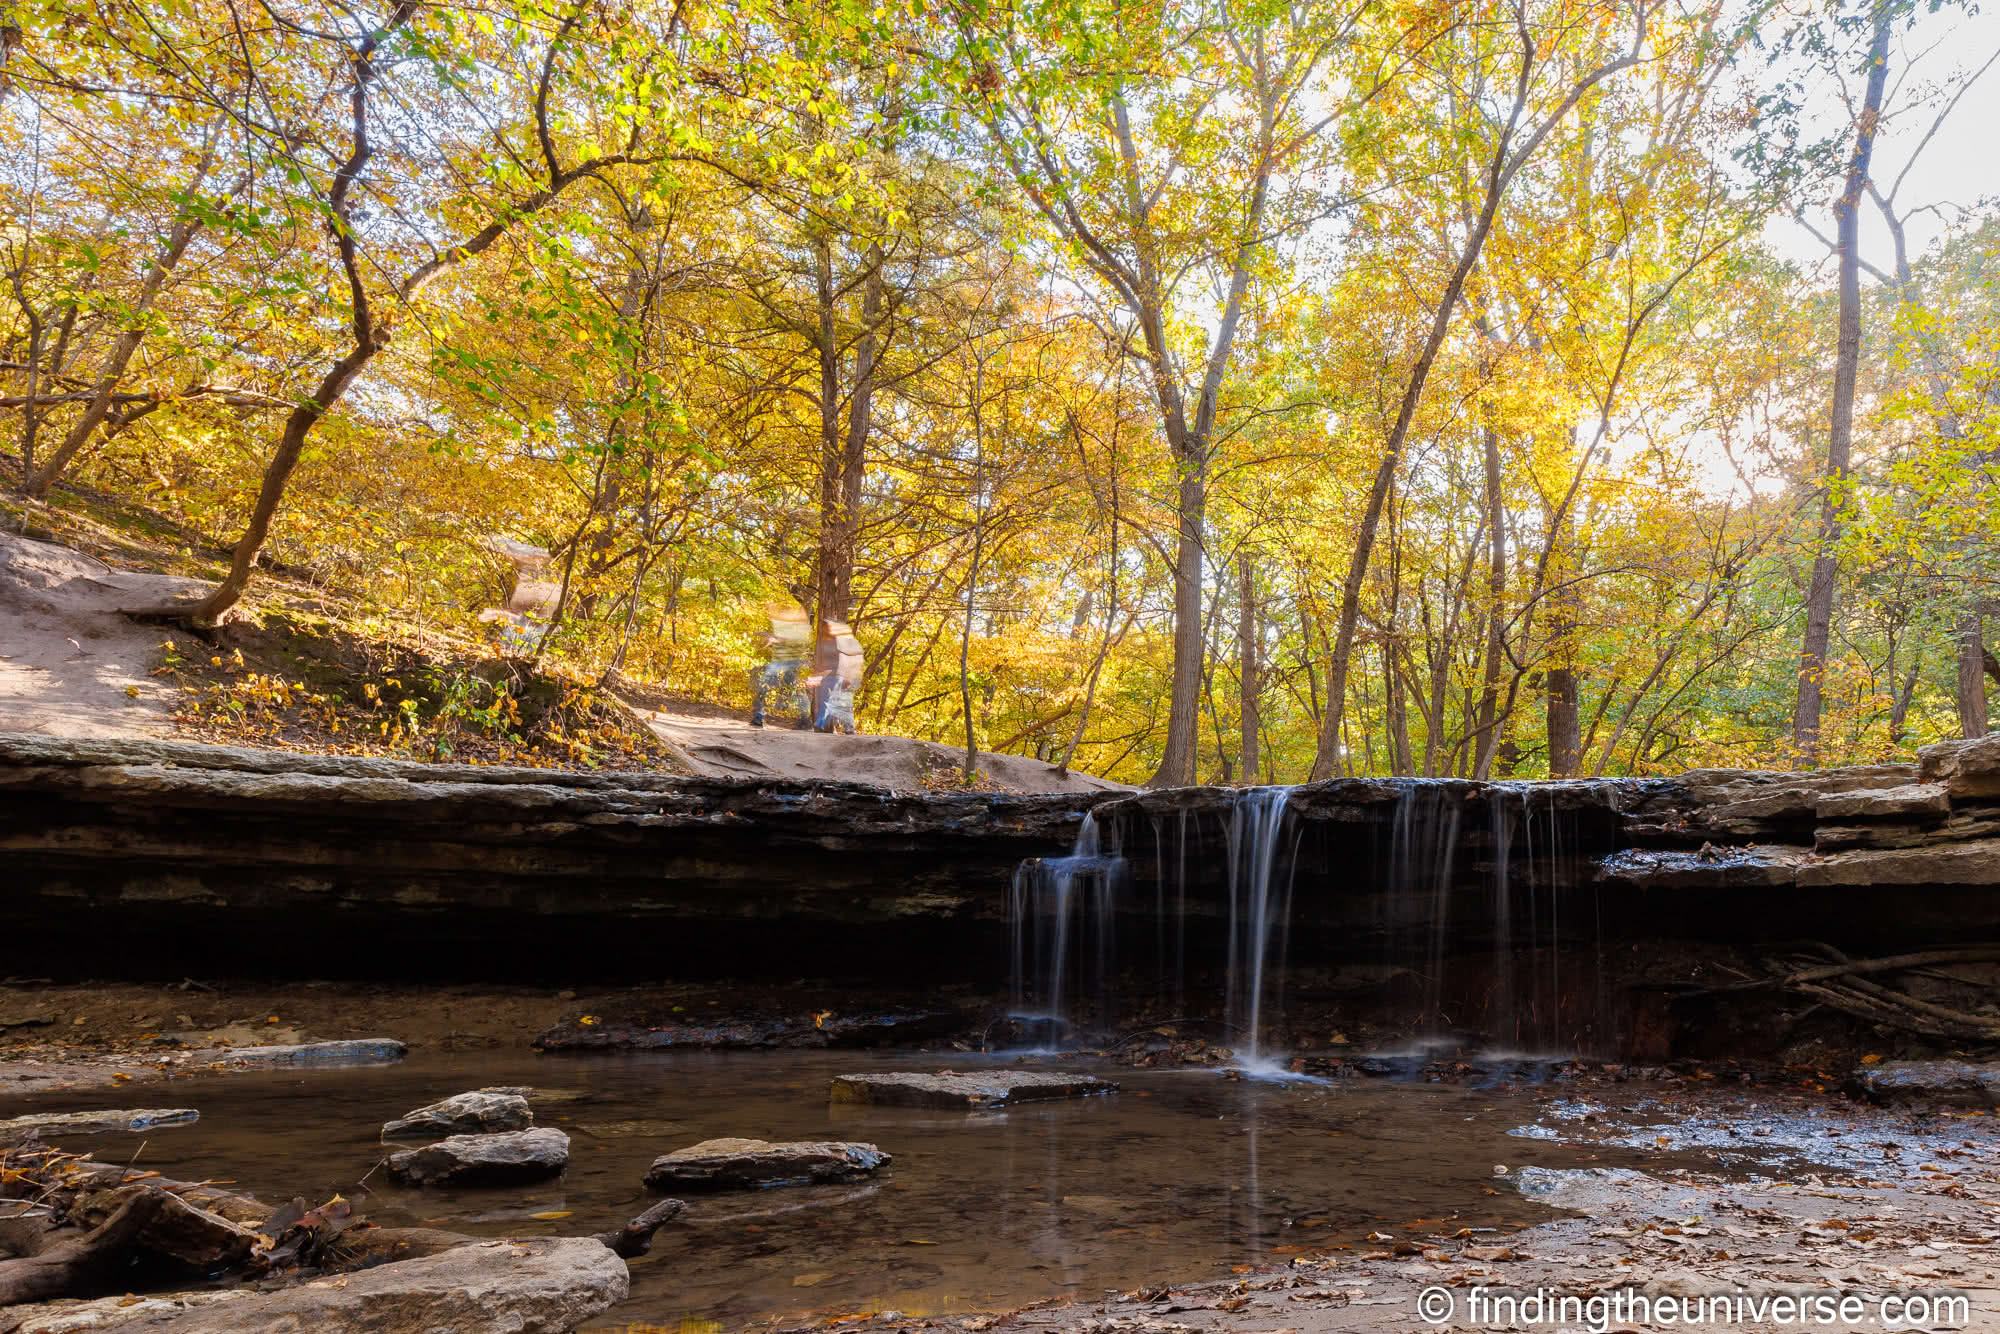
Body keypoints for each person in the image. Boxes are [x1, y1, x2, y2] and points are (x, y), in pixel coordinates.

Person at [748, 605, 811, 728]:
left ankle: (805, 719)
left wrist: (772, 637)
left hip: (791, 663)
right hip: (777, 663)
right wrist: (768, 641)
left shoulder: (797, 630)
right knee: (764, 687)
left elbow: (794, 643)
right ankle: (758, 717)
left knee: (794, 690)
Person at [808, 619, 864, 734]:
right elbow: (820, 661)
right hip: (826, 676)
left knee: (841, 701)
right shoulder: (823, 642)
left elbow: (847, 659)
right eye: (823, 627)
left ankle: (846, 727)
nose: (825, 629)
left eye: (827, 627)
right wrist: (817, 675)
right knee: (827, 700)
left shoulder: (842, 641)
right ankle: (822, 724)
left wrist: (848, 676)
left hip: (840, 675)